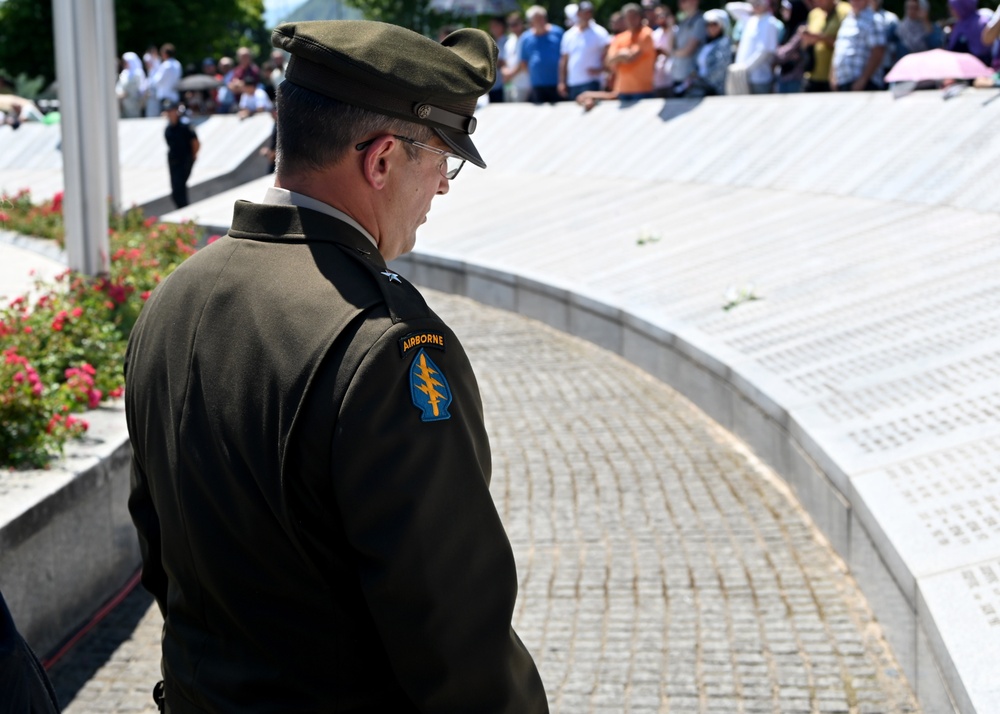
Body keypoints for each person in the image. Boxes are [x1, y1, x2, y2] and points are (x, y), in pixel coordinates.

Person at [125, 20, 549, 714]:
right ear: (382, 161)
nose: (443, 188)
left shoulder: (174, 296)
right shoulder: (386, 343)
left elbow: (156, 547)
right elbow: (453, 636)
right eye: (443, 160)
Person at [559, 1, 611, 99]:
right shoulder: (569, 35)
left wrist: (602, 69)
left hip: (592, 81)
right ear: (578, 14)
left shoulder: (600, 33)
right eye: (585, 12)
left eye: (589, 12)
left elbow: (608, 54)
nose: (587, 15)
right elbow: (564, 60)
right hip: (573, 82)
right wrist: (562, 82)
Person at [830, 0, 886, 91]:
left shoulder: (874, 19)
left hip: (865, 84)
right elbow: (838, 49)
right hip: (843, 82)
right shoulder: (847, 20)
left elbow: (878, 52)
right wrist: (833, 76)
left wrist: (863, 80)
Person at [606, 3, 657, 100]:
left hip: (643, 90)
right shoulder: (620, 38)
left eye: (634, 16)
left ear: (640, 17)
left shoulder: (646, 34)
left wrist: (617, 57)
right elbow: (608, 61)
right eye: (628, 17)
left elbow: (631, 58)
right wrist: (621, 54)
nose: (631, 20)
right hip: (622, 90)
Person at [519, 5, 565, 103]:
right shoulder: (526, 38)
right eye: (537, 19)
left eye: (542, 18)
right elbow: (523, 63)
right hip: (537, 84)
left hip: (557, 83)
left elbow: (565, 57)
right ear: (531, 22)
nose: (541, 21)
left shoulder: (558, 32)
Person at [801, 0, 851, 91]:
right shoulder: (814, 14)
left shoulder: (846, 11)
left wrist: (821, 38)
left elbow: (847, 44)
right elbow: (805, 44)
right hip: (812, 75)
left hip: (835, 77)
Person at [733, 0, 780, 93]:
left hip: (760, 78)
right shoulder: (751, 20)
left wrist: (746, 67)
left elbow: (765, 51)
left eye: (759, 3)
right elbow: (731, 7)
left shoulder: (770, 22)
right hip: (744, 76)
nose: (756, 6)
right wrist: (752, 5)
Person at [161, 100, 199, 209]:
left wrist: (193, 156)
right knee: (175, 190)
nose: (169, 113)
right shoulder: (168, 129)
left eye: (171, 110)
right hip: (173, 161)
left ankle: (185, 210)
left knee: (180, 188)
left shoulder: (185, 126)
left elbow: (195, 143)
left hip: (184, 160)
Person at [690, 8, 734, 95]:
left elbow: (721, 67)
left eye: (714, 24)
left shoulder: (724, 43)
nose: (711, 27)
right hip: (700, 86)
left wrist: (703, 82)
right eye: (708, 24)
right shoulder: (705, 44)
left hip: (714, 90)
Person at [671, 0, 708, 94]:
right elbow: (672, 45)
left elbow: (689, 50)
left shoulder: (700, 21)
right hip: (678, 73)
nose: (680, 3)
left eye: (684, 1)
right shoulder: (682, 21)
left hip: (691, 77)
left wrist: (672, 52)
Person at [502, 12, 533, 101]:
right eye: (510, 25)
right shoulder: (509, 41)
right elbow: (505, 61)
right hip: (510, 84)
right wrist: (505, 71)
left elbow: (524, 62)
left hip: (524, 84)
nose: (513, 27)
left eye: (515, 24)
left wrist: (510, 74)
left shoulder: (527, 38)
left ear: (521, 24)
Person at [117, 51, 146, 118]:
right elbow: (119, 86)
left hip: (134, 103)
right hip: (124, 104)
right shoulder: (124, 73)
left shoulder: (138, 73)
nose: (125, 64)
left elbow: (141, 88)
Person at [488, 15, 508, 103]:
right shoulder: (493, 41)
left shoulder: (507, 41)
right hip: (493, 85)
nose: (492, 28)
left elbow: (502, 61)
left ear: (502, 26)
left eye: (495, 25)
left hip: (503, 84)